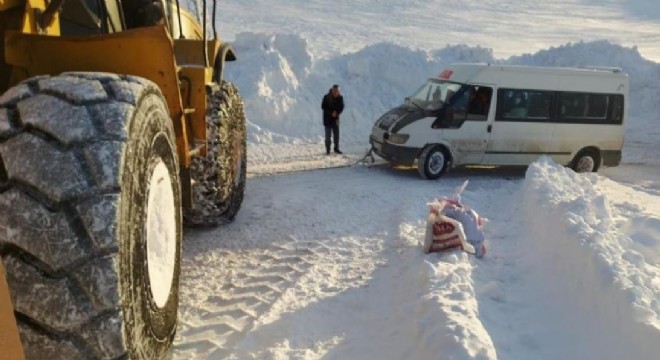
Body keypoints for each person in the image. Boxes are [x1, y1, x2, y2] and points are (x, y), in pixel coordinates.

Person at [321, 84, 344, 154]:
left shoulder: (340, 98)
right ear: (332, 90)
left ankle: (336, 148)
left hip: (335, 119)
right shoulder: (326, 97)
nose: (336, 92)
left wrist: (336, 113)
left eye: (337, 91)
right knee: (328, 135)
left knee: (336, 135)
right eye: (335, 91)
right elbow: (323, 107)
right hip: (327, 119)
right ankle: (328, 150)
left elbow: (342, 107)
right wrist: (331, 112)